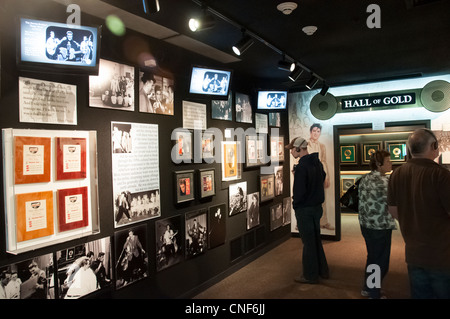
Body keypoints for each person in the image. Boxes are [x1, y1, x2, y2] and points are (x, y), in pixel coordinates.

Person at [387, 128, 450, 299]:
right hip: (442, 256)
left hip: (413, 254)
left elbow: (393, 211)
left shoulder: (397, 173)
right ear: (434, 146)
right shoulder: (441, 175)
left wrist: (414, 220)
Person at [286, 136, 329, 284]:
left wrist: (295, 205)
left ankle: (310, 275)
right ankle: (323, 270)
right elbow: (322, 176)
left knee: (308, 243)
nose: (291, 152)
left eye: (292, 149)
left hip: (305, 209)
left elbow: (299, 192)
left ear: (298, 148)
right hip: (317, 208)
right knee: (316, 240)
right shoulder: (316, 163)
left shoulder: (302, 167)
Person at [358, 150, 396, 299]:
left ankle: (368, 288)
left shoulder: (363, 178)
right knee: (381, 261)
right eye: (388, 161)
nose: (391, 163)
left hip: (365, 225)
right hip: (381, 226)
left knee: (372, 257)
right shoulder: (386, 182)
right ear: (379, 164)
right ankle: (374, 293)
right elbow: (394, 204)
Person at [307, 123, 334, 230]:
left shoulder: (322, 146)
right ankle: (306, 222)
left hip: (320, 174)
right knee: (308, 199)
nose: (316, 133)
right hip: (309, 175)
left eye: (318, 131)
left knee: (322, 199)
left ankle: (323, 222)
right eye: (314, 131)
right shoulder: (306, 144)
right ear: (310, 132)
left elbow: (324, 161)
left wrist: (327, 177)